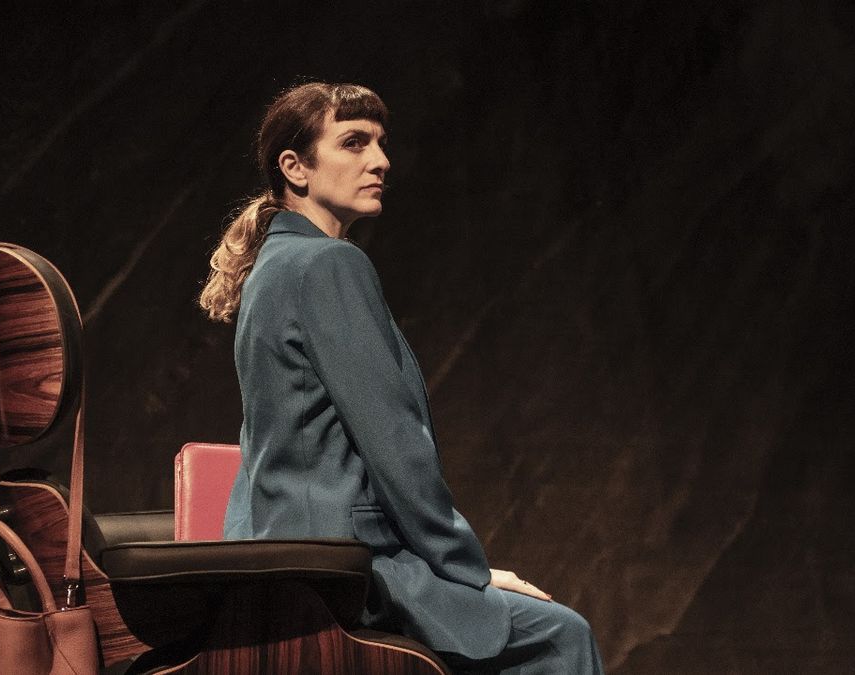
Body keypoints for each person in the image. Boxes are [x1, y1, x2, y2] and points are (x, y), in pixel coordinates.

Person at [199, 82, 604, 674]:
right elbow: (393, 444)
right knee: (561, 637)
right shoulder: (328, 264)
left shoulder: (274, 264)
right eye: (354, 143)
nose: (381, 160)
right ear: (295, 167)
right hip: (338, 567)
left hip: (290, 557)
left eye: (381, 143)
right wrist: (465, 570)